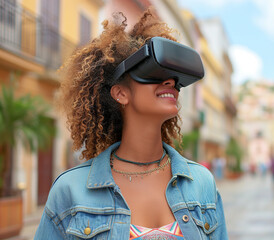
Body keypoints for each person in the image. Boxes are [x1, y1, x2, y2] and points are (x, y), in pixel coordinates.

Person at [34, 9, 227, 239]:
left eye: (175, 78)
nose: (171, 82)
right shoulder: (70, 190)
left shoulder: (202, 183)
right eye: (154, 72)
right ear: (120, 93)